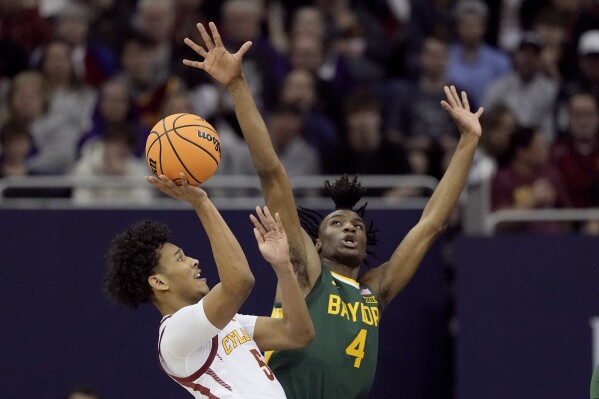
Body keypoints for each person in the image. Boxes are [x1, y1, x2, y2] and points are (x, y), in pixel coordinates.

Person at [182, 22, 484, 398]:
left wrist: (468, 142)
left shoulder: (375, 291)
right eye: (337, 222)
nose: (350, 228)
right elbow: (273, 174)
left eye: (356, 224)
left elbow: (431, 223)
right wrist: (237, 85)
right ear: (317, 244)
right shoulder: (307, 272)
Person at [104, 173, 314, 398]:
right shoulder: (174, 336)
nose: (194, 261)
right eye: (180, 258)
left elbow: (297, 334)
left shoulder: (227, 322)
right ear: (159, 282)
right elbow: (240, 282)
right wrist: (201, 202)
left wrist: (283, 265)